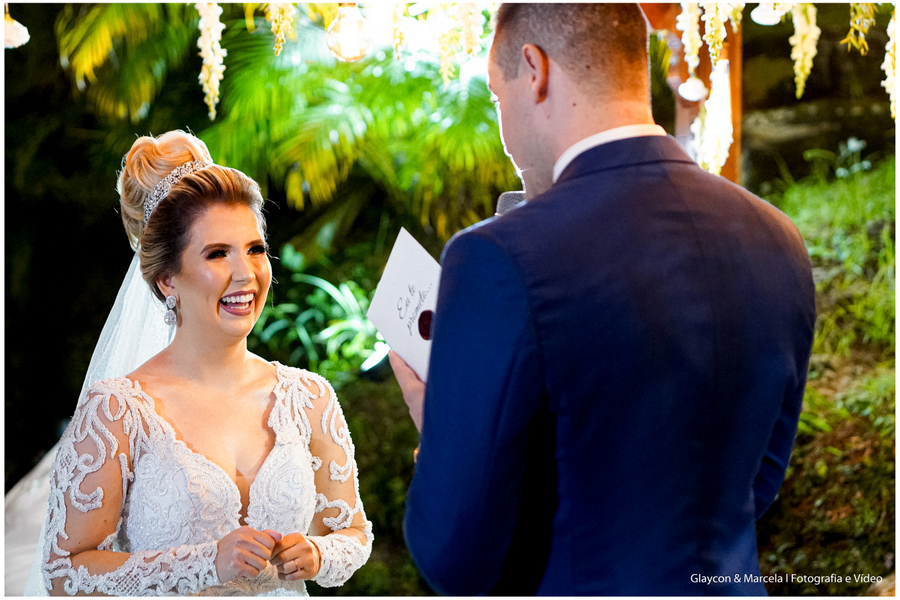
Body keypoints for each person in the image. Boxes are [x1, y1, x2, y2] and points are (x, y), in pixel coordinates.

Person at [389, 3, 815, 595]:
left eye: (496, 95)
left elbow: (456, 556)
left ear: (534, 71)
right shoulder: (778, 236)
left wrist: (438, 433)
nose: (503, 126)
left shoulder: (500, 256)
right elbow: (758, 480)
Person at [29, 131, 372, 596]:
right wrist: (204, 563)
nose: (245, 274)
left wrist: (318, 554)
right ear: (168, 279)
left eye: (254, 249)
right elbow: (66, 571)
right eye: (217, 254)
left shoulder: (309, 398)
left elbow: (353, 534)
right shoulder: (117, 413)